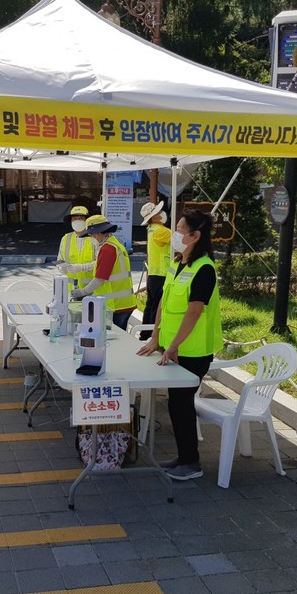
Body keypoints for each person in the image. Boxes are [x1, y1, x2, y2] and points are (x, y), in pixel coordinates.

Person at [136, 209, 223, 481]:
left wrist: (172, 346)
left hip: (193, 351)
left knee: (182, 403)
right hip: (173, 347)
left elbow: (194, 312)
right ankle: (184, 458)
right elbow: (164, 302)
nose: (175, 235)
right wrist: (156, 337)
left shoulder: (204, 269)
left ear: (196, 236)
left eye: (181, 231)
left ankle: (192, 463)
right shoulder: (178, 263)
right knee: (176, 403)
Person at [71, 214, 138, 331]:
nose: (90, 237)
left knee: (114, 341)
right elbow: (101, 265)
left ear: (98, 233)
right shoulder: (113, 244)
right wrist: (82, 267)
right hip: (123, 303)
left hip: (117, 305)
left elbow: (100, 279)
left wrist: (82, 292)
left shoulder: (108, 249)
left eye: (90, 234)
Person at [139, 200, 171, 337]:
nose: (162, 213)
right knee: (157, 307)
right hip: (162, 274)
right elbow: (180, 239)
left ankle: (145, 334)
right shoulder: (161, 231)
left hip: (154, 273)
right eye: (158, 212)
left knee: (151, 305)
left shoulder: (152, 230)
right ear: (153, 217)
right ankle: (152, 335)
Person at [56, 205, 96, 290]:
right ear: (70, 221)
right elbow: (59, 260)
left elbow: (100, 263)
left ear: (86, 221)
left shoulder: (95, 238)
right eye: (74, 219)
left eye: (81, 218)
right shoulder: (66, 238)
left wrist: (82, 267)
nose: (77, 221)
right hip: (71, 290)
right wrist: (62, 268)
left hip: (91, 289)